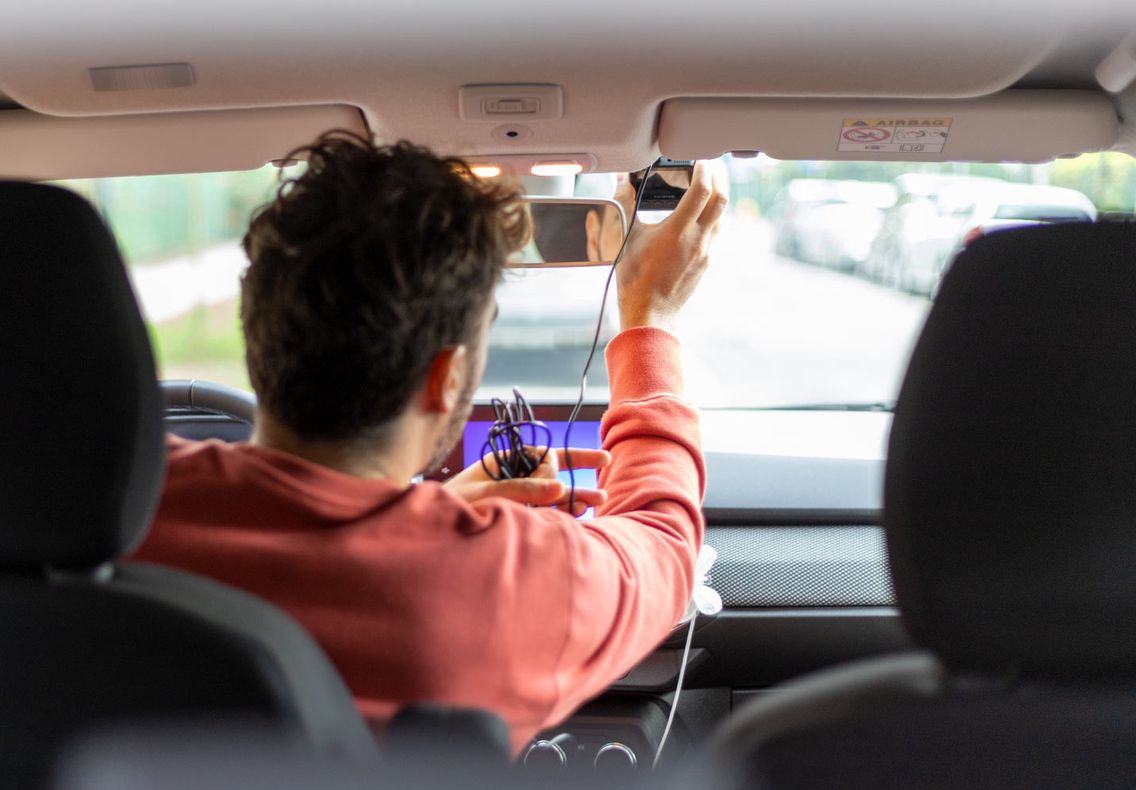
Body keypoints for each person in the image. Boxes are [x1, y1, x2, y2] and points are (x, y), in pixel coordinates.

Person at [130, 131, 728, 752]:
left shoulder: (114, 511)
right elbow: (664, 541)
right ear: (445, 378)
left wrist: (426, 510)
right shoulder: (503, 577)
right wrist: (650, 315)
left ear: (257, 340)